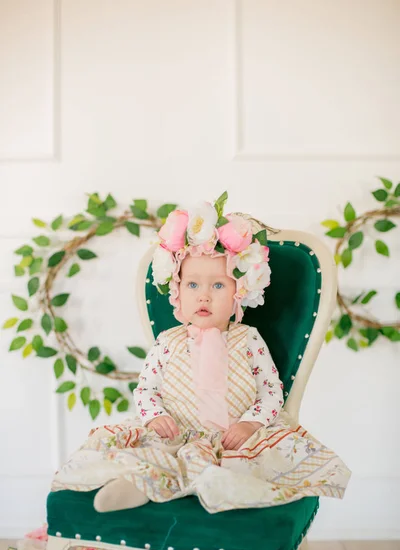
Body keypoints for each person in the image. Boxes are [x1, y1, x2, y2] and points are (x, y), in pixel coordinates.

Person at [51, 195, 350, 514]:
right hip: (177, 436)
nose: (204, 295)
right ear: (177, 292)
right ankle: (137, 484)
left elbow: (270, 389)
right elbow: (147, 389)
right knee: (154, 456)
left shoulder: (248, 339)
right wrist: (156, 416)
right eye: (193, 285)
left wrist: (251, 423)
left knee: (241, 467)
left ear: (239, 292)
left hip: (235, 439)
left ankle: (221, 488)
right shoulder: (168, 342)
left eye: (218, 286)